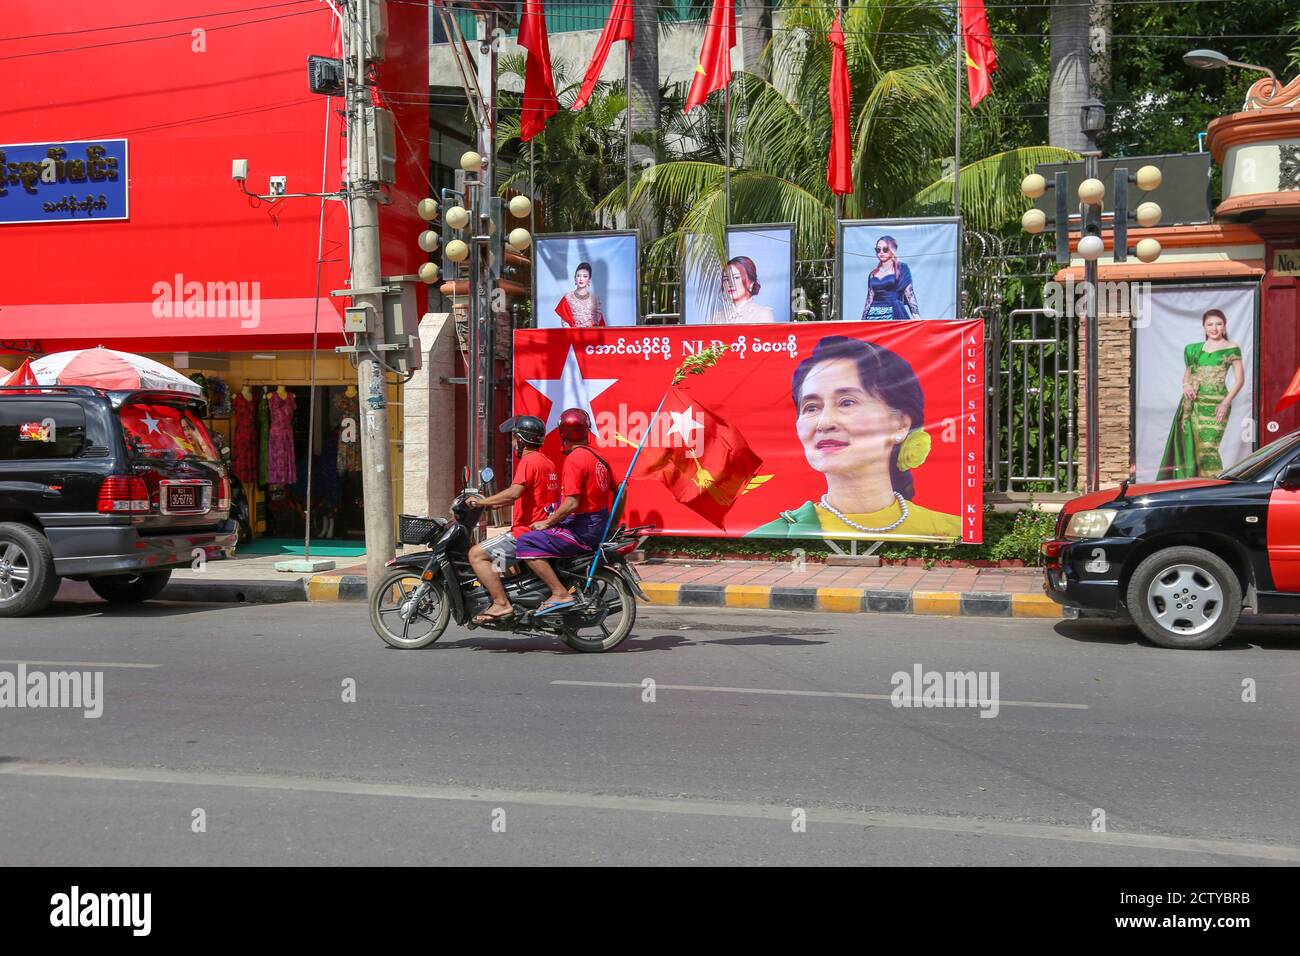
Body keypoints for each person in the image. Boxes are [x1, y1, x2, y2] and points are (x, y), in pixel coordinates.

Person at [749, 335, 959, 539]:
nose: (824, 423)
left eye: (847, 402)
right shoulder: (773, 535)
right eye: (811, 407)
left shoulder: (950, 532)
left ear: (901, 424)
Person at [514, 408, 615, 614]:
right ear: (586, 430)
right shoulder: (600, 457)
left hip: (582, 529)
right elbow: (621, 492)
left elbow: (571, 503)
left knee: (527, 541)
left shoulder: (575, 459)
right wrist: (612, 522)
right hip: (597, 525)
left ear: (563, 434)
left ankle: (559, 592)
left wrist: (548, 521)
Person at [464, 415, 559, 623]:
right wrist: (491, 502)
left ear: (522, 440)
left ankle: (500, 603)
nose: (513, 443)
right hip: (541, 530)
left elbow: (514, 493)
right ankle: (512, 596)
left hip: (525, 533)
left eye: (515, 439)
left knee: (476, 554)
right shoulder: (547, 462)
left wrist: (479, 503)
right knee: (498, 560)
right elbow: (525, 496)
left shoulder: (528, 461)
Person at [1157, 308, 1245, 479]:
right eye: (1210, 324)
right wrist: (1186, 385)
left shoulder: (1232, 348)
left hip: (1217, 404)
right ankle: (1195, 486)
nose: (1214, 328)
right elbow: (1188, 374)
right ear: (1204, 328)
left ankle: (1215, 488)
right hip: (1194, 403)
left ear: (1224, 327)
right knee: (1193, 448)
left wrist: (1226, 403)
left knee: (1209, 447)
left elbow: (1240, 380)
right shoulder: (1194, 349)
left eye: (1218, 324)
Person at [859, 235, 921, 321]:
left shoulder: (902, 269)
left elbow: (909, 294)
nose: (881, 252)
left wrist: (917, 317)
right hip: (873, 315)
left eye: (885, 249)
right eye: (878, 249)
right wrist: (863, 320)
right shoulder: (872, 274)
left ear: (892, 250)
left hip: (894, 312)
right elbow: (869, 299)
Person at [710, 256, 776, 324]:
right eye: (726, 279)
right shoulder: (717, 318)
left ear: (751, 283)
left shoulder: (763, 314)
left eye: (736, 278)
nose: (730, 283)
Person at [555, 261, 606, 328]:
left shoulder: (594, 299)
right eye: (578, 276)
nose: (581, 279)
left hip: (592, 336)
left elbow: (600, 325)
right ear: (575, 279)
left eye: (585, 276)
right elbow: (565, 323)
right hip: (574, 336)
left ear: (589, 280)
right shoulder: (568, 298)